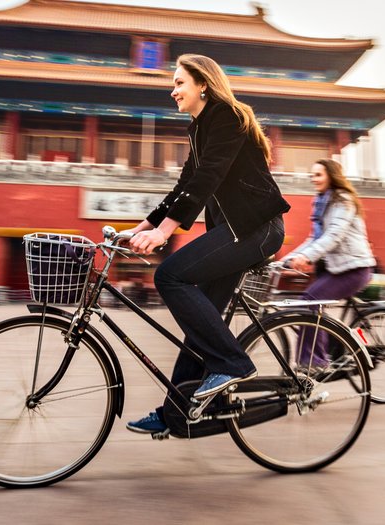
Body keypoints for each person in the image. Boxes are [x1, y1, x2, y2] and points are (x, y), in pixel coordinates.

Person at [122, 54, 291, 434]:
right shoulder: (199, 128)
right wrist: (141, 227)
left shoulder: (227, 117)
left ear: (203, 84)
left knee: (170, 276)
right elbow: (183, 187)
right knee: (201, 325)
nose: (173, 90)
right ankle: (177, 414)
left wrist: (164, 233)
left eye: (179, 82)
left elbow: (208, 179)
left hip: (256, 228)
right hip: (235, 231)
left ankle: (233, 363)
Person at [280, 159, 376, 374]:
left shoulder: (343, 201)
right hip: (336, 267)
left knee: (309, 301)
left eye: (318, 175)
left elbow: (334, 235)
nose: (313, 179)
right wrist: (285, 260)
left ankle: (316, 363)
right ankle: (328, 352)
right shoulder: (322, 201)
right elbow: (314, 238)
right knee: (310, 305)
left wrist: (307, 258)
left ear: (331, 176)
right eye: (312, 175)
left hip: (354, 268)